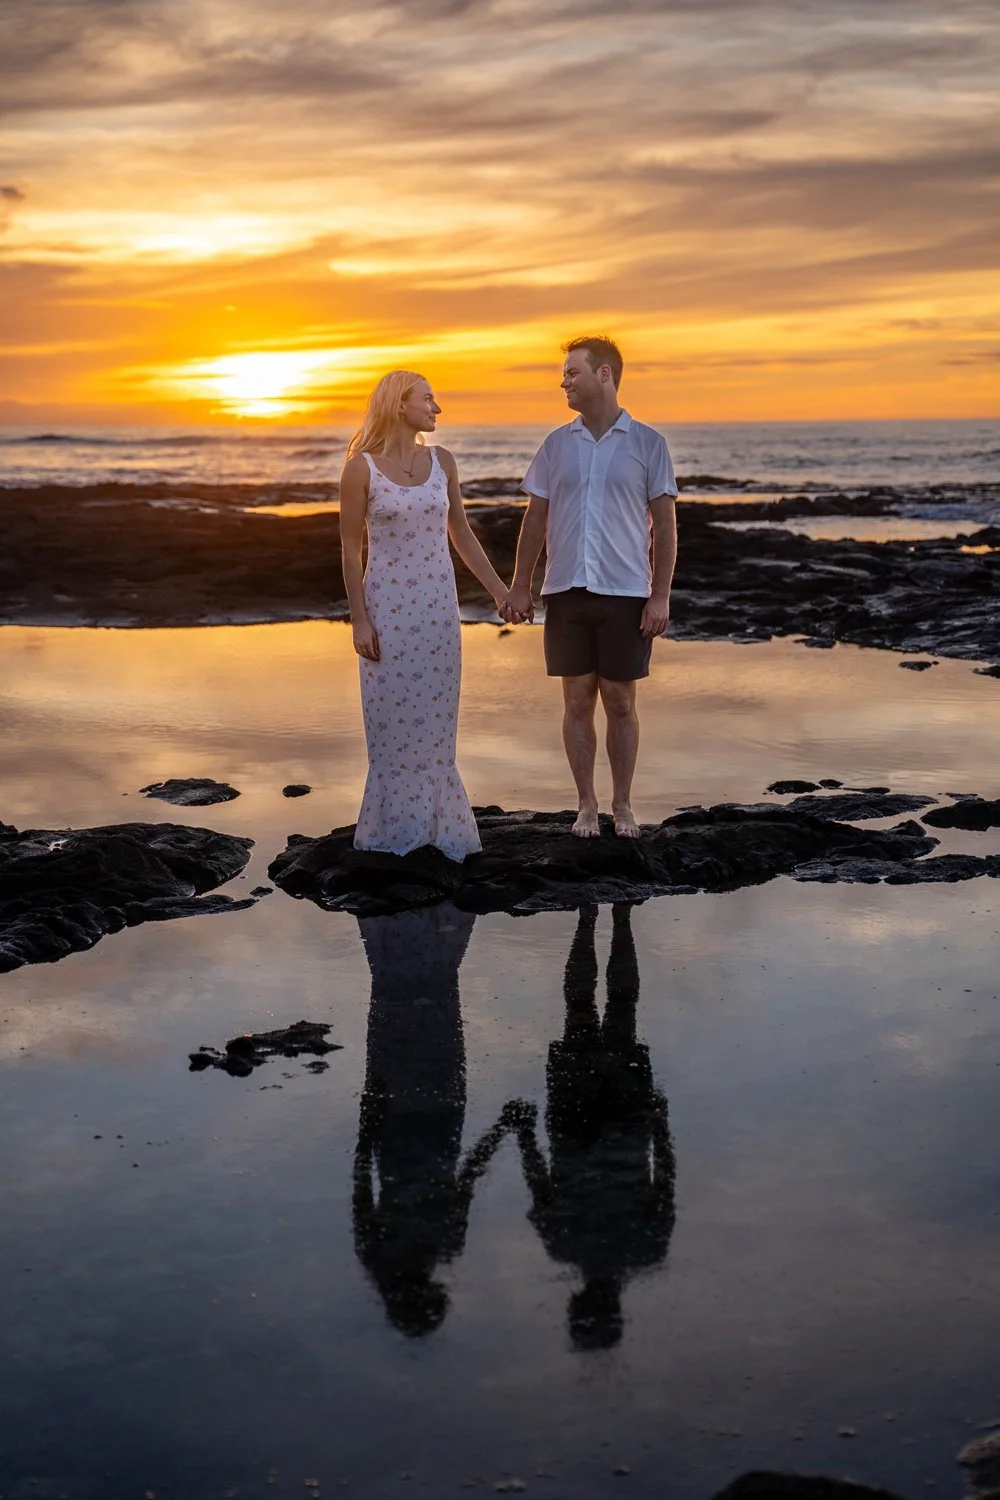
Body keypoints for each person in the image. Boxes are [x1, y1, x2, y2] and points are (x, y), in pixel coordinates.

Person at [502, 337, 678, 838]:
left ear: (604, 374)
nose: (564, 382)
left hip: (626, 593)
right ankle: (586, 806)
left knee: (621, 702)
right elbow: (534, 520)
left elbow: (665, 527)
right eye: (563, 375)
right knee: (576, 700)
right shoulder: (556, 445)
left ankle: (623, 806)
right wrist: (520, 587)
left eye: (572, 373)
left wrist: (660, 594)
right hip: (566, 591)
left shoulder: (649, 444)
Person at [340, 371, 517, 861]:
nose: (437, 408)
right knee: (392, 725)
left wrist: (501, 591)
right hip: (387, 613)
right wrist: (359, 619)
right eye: (428, 399)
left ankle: (441, 831)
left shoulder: (443, 462)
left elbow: (460, 532)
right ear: (400, 405)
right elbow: (350, 551)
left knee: (437, 727)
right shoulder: (361, 469)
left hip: (439, 611)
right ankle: (394, 833)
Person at [505, 904, 676, 1350]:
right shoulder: (612, 1249)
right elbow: (665, 1183)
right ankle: (616, 917)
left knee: (605, 1008)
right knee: (603, 1008)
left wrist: (658, 1122)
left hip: (609, 1120)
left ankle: (594, 918)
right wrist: (659, 1123)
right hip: (593, 1121)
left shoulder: (641, 1250)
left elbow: (665, 1182)